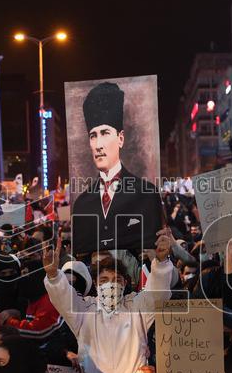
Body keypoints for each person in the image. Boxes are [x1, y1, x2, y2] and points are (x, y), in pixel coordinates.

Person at [44, 229, 174, 373]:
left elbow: (159, 292)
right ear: (96, 285)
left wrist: (162, 261)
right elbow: (63, 298)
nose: (110, 285)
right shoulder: (84, 311)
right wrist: (53, 274)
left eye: (116, 280)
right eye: (104, 281)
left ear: (125, 283)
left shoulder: (137, 307)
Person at [70, 81, 164, 253]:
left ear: (120, 139)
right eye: (93, 136)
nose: (98, 144)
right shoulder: (82, 205)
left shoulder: (146, 194)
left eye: (105, 133)